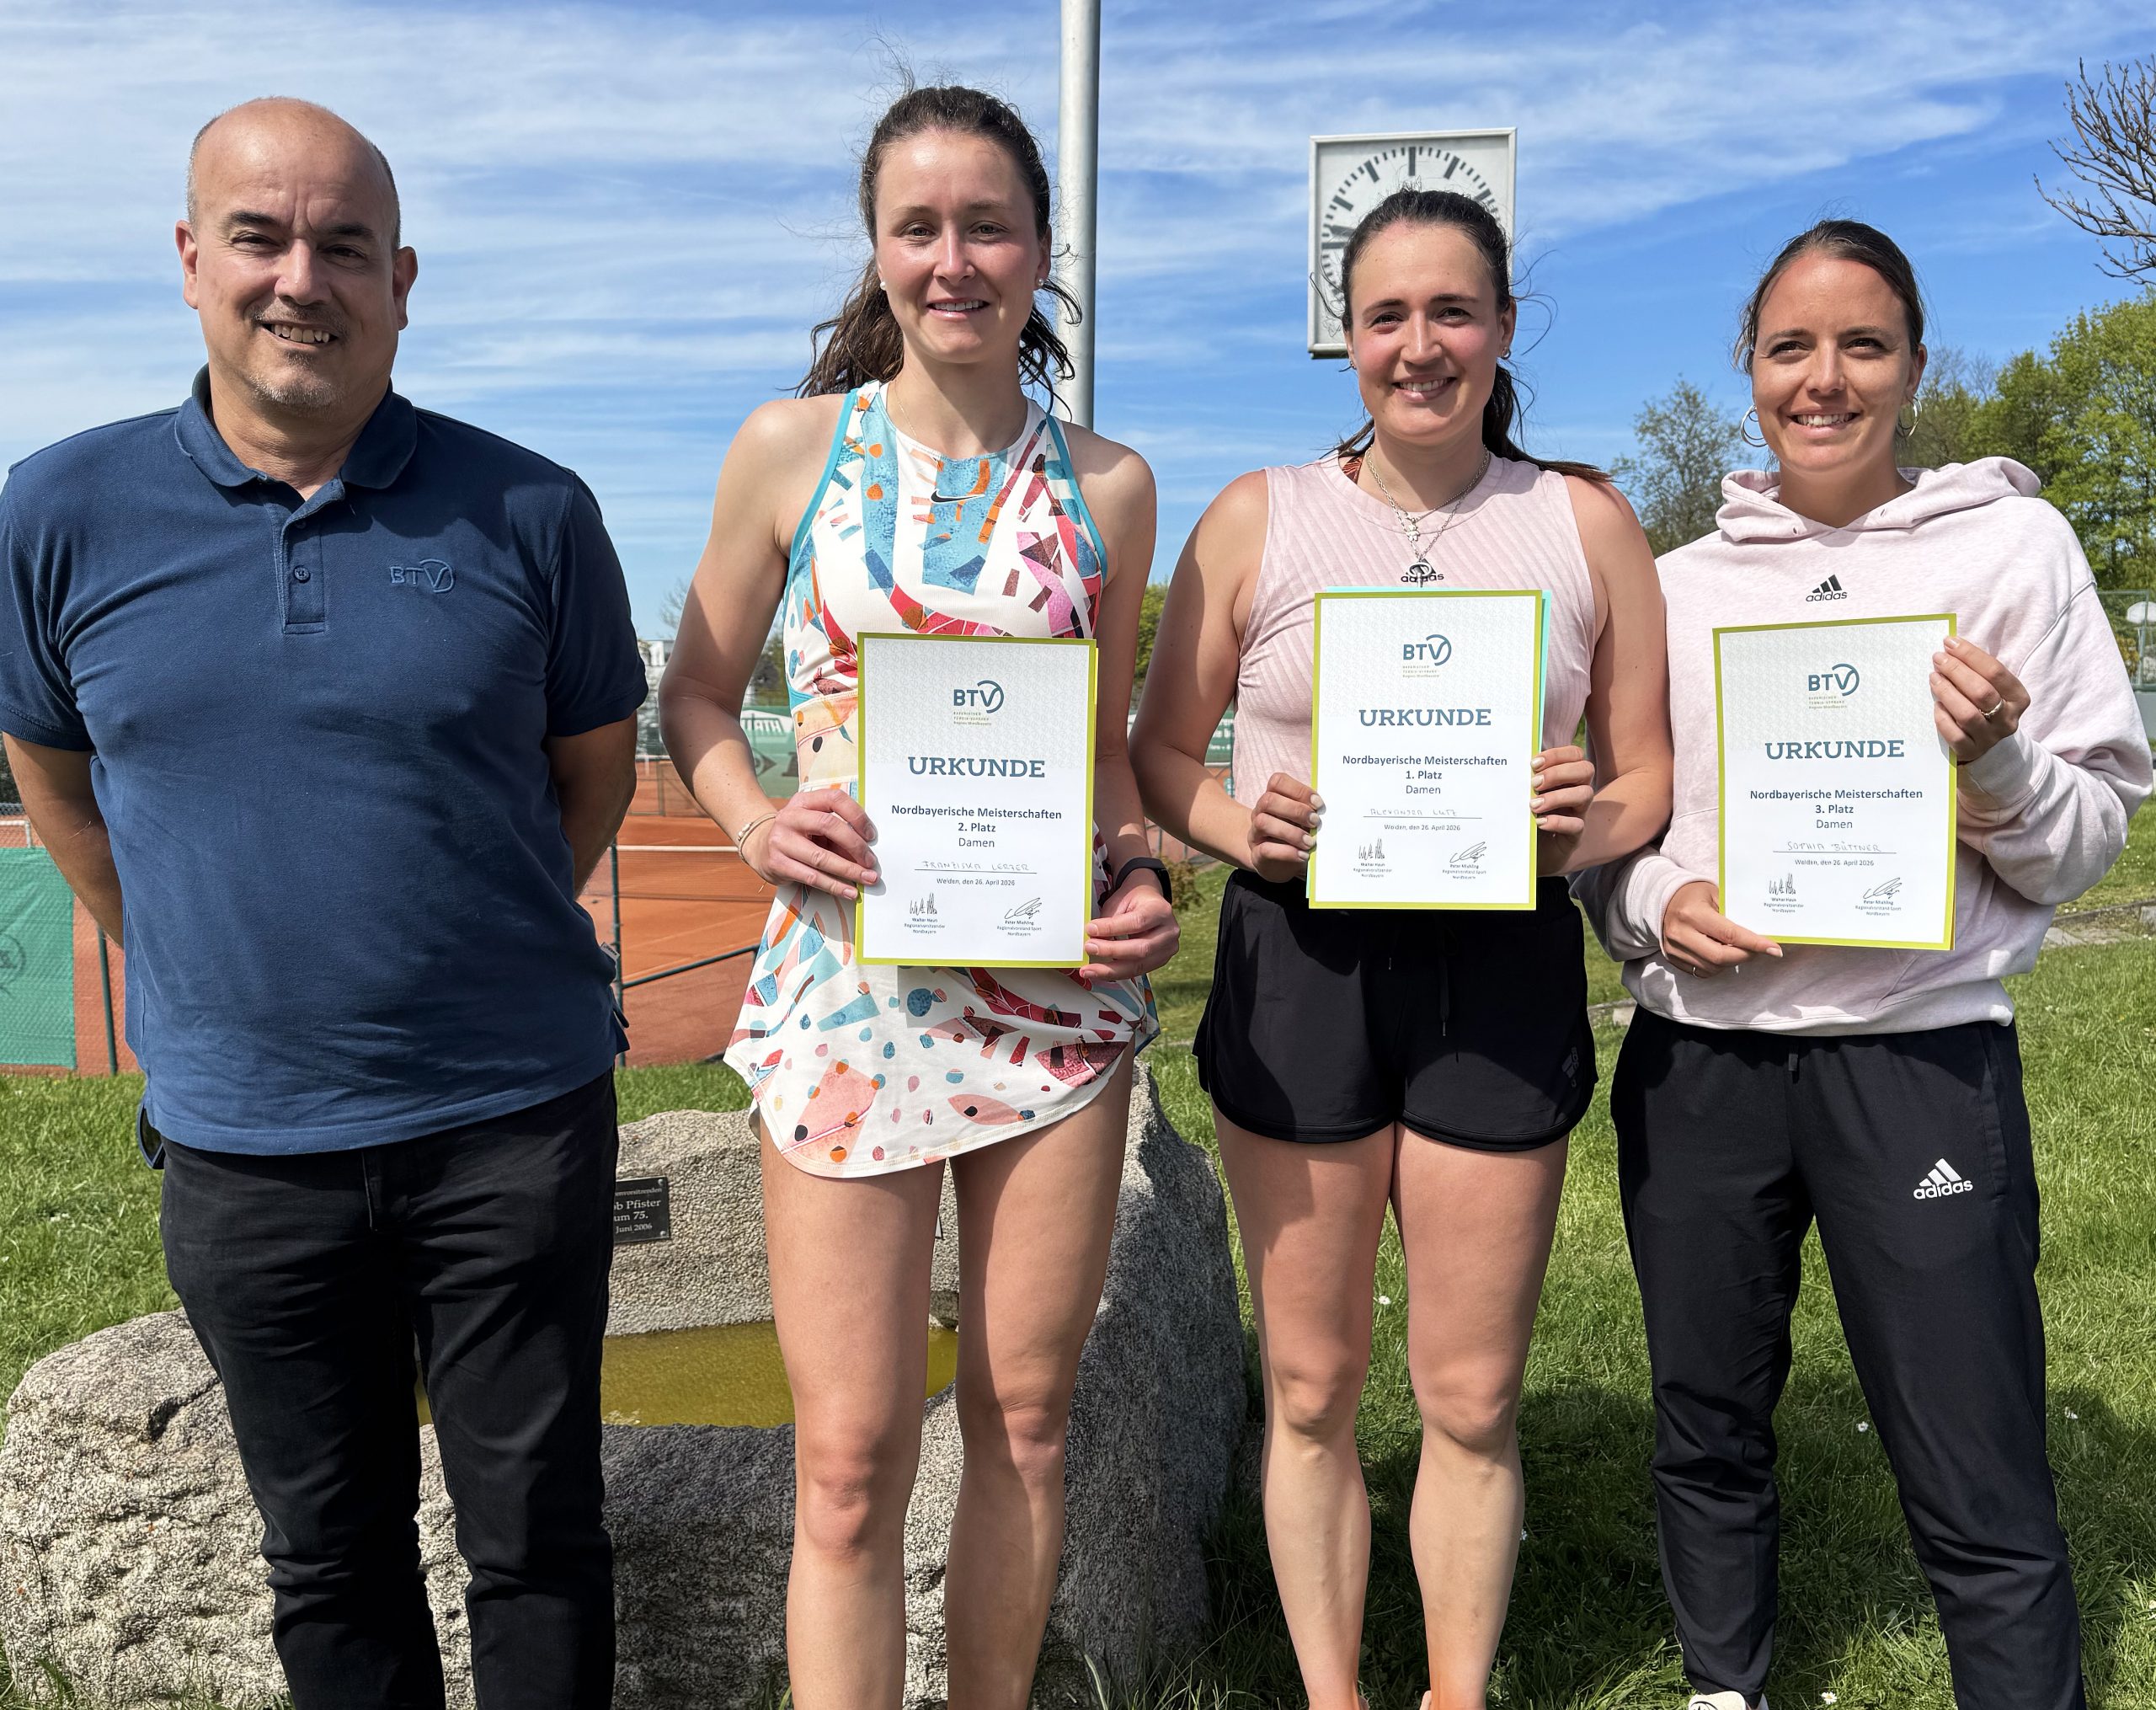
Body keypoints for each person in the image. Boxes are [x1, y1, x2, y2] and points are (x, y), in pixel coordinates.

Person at [0, 99, 645, 1707]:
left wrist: (463, 941)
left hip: (512, 1123)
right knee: (329, 1557)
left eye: (344, 245)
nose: (304, 279)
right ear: (190, 258)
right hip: (245, 1148)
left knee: (540, 1539)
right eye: (262, 237)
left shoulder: (533, 510)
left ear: (404, 277)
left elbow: (594, 777)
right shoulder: (55, 514)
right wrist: (197, 962)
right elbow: (54, 776)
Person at [1576, 220, 2152, 1710]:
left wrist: (2000, 755)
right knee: (1707, 1419)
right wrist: (1649, 899)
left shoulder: (2013, 549)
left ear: (1912, 360)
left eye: (1862, 344)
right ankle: (1725, 1687)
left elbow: (2085, 845)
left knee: (1973, 1446)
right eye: (1790, 347)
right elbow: (1608, 831)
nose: (1823, 380)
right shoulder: (1676, 578)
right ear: (1748, 368)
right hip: (1701, 1061)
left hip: (1917, 1055)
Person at [658, 84, 1175, 1709]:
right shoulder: (788, 449)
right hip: (847, 1004)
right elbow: (691, 694)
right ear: (878, 252)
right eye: (919, 227)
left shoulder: (1113, 485)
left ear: (1041, 247)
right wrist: (752, 822)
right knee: (851, 1455)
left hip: (1053, 1016)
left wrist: (1145, 869)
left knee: (1026, 1418)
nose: (955, 260)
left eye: (989, 225)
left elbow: (1104, 756)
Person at [1130, 188, 1672, 1710]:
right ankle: (1332, 1693)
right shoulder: (1260, 516)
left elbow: (1649, 773)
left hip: (1496, 966)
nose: (1419, 346)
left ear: (1503, 331)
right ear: (1345, 336)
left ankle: (1451, 1689)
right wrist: (1248, 829)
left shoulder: (1583, 520)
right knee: (1309, 1384)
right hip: (1303, 964)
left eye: (1454, 313)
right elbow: (1165, 752)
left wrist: (1586, 816)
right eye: (1387, 316)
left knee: (1473, 1390)